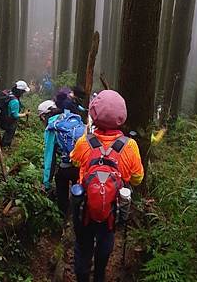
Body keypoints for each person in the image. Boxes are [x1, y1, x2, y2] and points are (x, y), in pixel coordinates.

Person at [70, 90, 144, 282]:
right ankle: (100, 274)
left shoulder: (84, 142)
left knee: (83, 248)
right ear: (122, 116)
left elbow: (75, 162)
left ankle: (83, 276)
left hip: (85, 209)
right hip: (111, 211)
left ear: (94, 114)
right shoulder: (130, 146)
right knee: (105, 244)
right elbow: (137, 179)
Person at [38, 99, 85, 217]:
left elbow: (49, 157)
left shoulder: (52, 127)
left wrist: (46, 183)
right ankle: (80, 210)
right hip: (84, 163)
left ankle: (64, 213)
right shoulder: (70, 117)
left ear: (44, 116)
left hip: (69, 166)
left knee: (60, 178)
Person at [0, 80, 30, 148]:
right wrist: (25, 114)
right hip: (5, 121)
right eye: (23, 91)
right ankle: (5, 145)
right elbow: (15, 115)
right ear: (20, 91)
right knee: (12, 126)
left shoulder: (8, 92)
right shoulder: (15, 101)